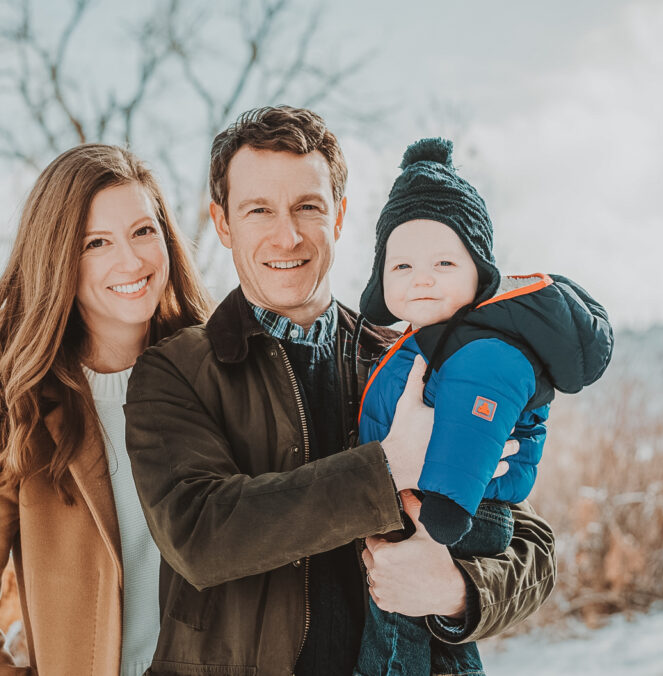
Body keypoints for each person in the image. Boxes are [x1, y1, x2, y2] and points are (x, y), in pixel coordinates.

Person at [125, 106, 557, 676]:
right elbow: (201, 534)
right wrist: (386, 468)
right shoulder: (176, 370)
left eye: (308, 206)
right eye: (259, 210)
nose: (288, 234)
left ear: (341, 215)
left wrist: (457, 591)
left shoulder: (417, 360)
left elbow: (531, 547)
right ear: (223, 223)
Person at [0, 143, 211, 676]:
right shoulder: (19, 415)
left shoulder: (221, 377)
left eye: (144, 231)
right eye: (97, 242)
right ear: (59, 260)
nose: (132, 260)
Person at [353, 137, 613, 675]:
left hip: (453, 508)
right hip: (439, 504)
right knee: (420, 632)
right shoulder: (428, 340)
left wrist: (446, 521)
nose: (421, 277)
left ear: (480, 274)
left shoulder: (480, 351)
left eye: (444, 261)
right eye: (401, 266)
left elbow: (475, 423)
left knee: (399, 622)